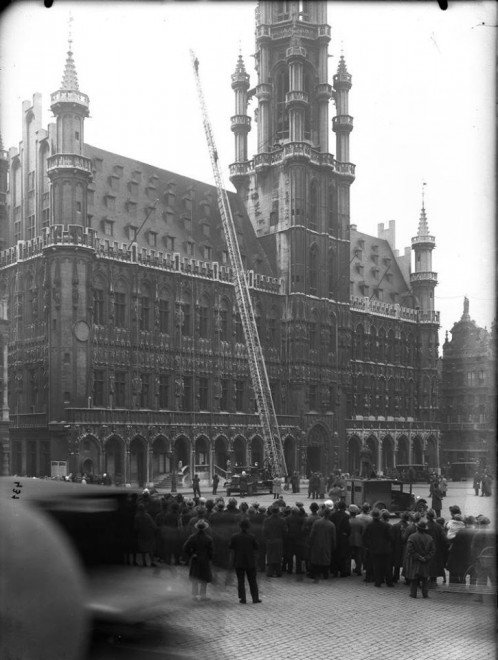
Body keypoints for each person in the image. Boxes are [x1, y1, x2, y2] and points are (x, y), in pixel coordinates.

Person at [229, 519, 262, 604]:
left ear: (239, 527)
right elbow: (256, 547)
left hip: (239, 561)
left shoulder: (235, 536)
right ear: (248, 527)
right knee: (253, 581)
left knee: (240, 581)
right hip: (250, 561)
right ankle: (255, 598)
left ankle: (243, 598)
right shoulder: (252, 537)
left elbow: (231, 547)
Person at [183, 519, 214, 600]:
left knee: (195, 577)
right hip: (204, 559)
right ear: (205, 528)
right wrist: (210, 558)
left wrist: (191, 554)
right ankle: (203, 595)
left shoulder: (192, 537)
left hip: (195, 559)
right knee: (204, 578)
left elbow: (185, 547)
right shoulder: (208, 539)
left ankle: (194, 595)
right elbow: (211, 551)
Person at [362, 508, 393, 588]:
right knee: (387, 566)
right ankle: (389, 582)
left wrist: (368, 545)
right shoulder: (385, 525)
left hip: (374, 549)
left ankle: (377, 582)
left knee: (376, 566)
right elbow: (390, 537)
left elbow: (364, 537)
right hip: (385, 548)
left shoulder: (369, 525)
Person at [405, 520, 435, 598]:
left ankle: (413, 594)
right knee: (425, 578)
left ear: (417, 528)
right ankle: (425, 594)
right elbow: (433, 550)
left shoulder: (412, 537)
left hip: (415, 561)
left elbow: (410, 549)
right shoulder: (430, 538)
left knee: (414, 579)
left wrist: (418, 557)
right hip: (425, 561)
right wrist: (426, 558)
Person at [308, 507, 336, 582]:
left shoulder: (317, 522)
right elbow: (333, 537)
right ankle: (325, 574)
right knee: (325, 558)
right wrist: (334, 545)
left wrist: (310, 542)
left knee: (316, 557)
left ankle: (315, 573)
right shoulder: (331, 525)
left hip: (317, 543)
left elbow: (312, 534)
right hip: (327, 543)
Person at [263, 505, 287, 577]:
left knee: (270, 556)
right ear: (278, 511)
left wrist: (267, 538)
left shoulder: (266, 520)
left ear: (271, 511)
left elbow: (264, 531)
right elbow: (285, 531)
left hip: (270, 540)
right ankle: (278, 572)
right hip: (279, 540)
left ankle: (270, 572)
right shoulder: (282, 520)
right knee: (278, 556)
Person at [134, 503, 158, 567]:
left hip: (141, 533)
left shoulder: (136, 516)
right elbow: (153, 524)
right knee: (150, 548)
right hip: (149, 533)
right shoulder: (147, 515)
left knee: (142, 549)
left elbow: (135, 527)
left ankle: (144, 562)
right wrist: (156, 529)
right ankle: (152, 561)